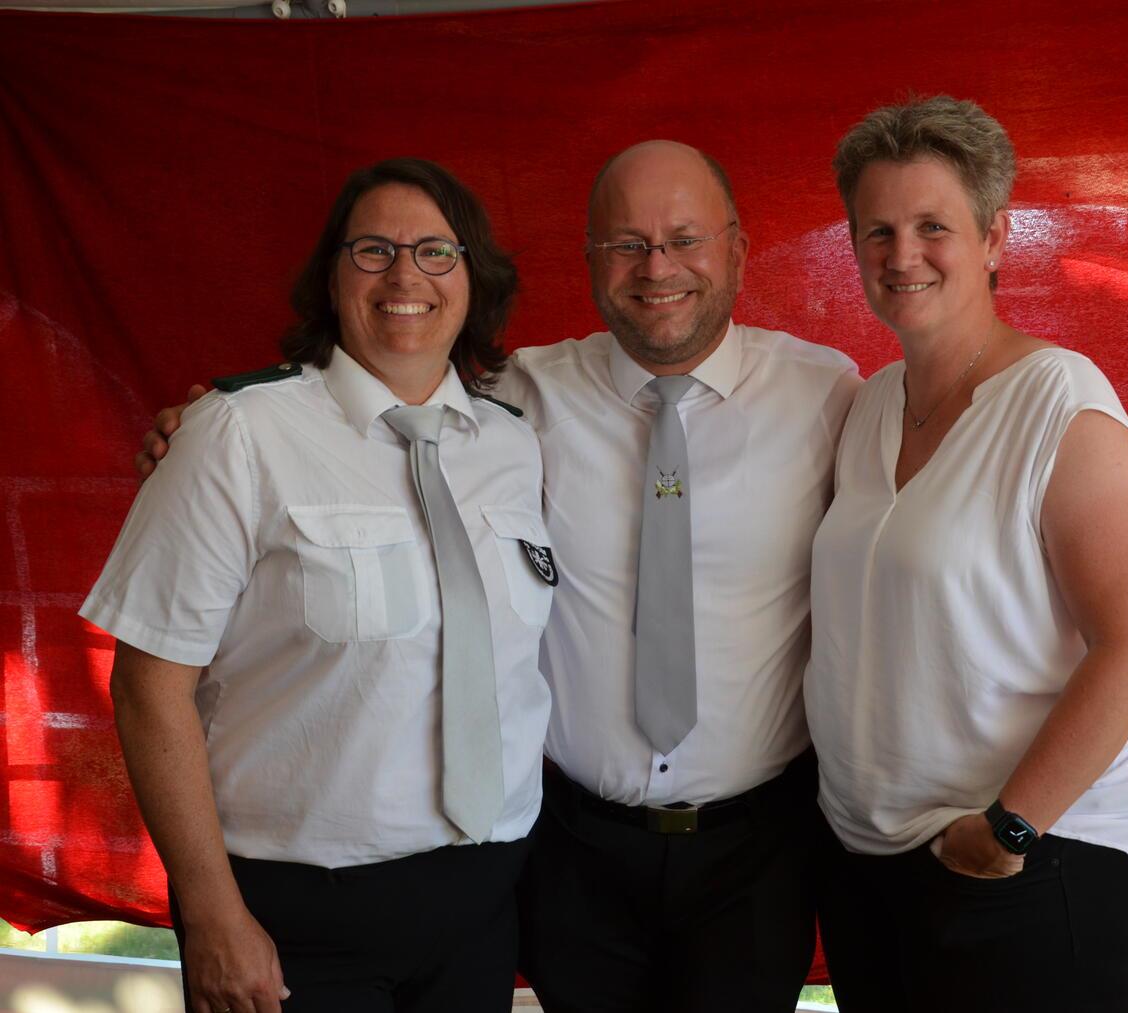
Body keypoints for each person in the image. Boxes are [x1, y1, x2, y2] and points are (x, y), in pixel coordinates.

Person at [137, 140, 861, 1013]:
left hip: (752, 850)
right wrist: (196, 426)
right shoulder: (524, 397)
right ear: (591, 261)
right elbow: (155, 678)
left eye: (684, 239)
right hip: (567, 852)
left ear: (739, 248)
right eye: (625, 243)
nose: (656, 267)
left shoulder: (830, 395)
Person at [85, 157, 553, 1013]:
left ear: (473, 278)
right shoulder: (237, 433)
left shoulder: (514, 442)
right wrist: (214, 916)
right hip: (293, 920)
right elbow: (150, 687)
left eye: (435, 251)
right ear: (331, 278)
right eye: (372, 250)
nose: (405, 274)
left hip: (481, 908)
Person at [804, 96, 1128, 1011]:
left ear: (994, 238)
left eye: (934, 226)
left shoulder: (1060, 402)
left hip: (1036, 858)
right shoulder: (869, 406)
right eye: (877, 230)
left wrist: (1010, 827)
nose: (902, 255)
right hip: (875, 862)